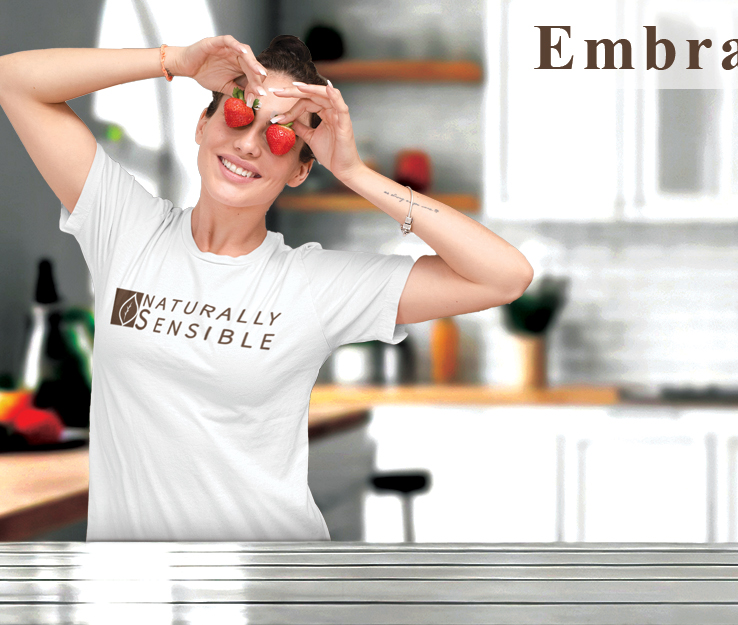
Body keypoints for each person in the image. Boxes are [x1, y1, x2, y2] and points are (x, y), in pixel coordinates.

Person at [0, 35, 534, 541]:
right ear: (202, 124)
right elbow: (15, 79)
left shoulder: (311, 283)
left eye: (280, 135)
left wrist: (353, 172)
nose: (249, 145)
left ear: (301, 168)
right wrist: (174, 60)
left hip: (266, 589)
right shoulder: (127, 229)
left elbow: (504, 275)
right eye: (236, 114)